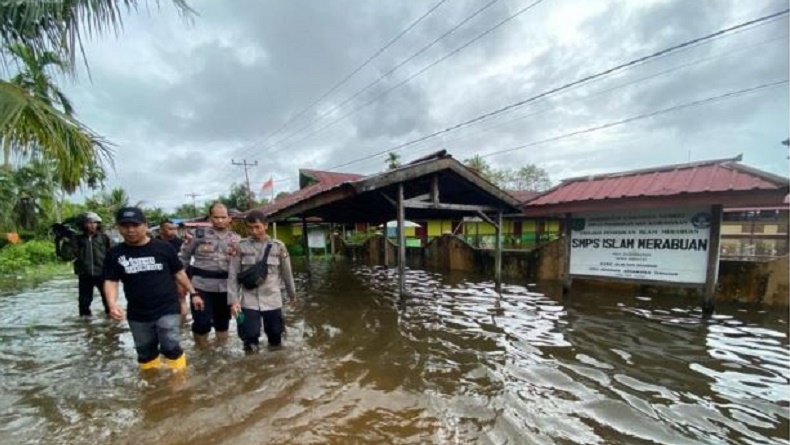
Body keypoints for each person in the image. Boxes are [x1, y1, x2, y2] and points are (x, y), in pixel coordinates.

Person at [103, 207, 199, 371]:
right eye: (125, 226)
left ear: (145, 226)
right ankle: (151, 386)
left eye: (135, 225)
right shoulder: (115, 253)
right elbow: (111, 280)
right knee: (145, 352)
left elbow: (179, 273)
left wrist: (193, 293)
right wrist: (112, 304)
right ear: (119, 228)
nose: (131, 230)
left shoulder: (163, 248)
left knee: (171, 346)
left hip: (167, 307)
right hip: (137, 312)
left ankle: (179, 386)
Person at [228, 210, 296, 352]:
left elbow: (287, 274)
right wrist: (233, 301)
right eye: (250, 227)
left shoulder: (278, 246)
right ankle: (252, 368)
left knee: (276, 338)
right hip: (249, 300)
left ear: (265, 226)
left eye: (257, 227)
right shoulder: (241, 246)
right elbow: (233, 275)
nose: (254, 231)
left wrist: (292, 296)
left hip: (272, 299)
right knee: (250, 340)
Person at [179, 203, 241, 347]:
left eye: (223, 217)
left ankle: (221, 350)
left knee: (223, 322)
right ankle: (202, 351)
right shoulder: (197, 235)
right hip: (201, 286)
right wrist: (182, 284)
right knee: (201, 323)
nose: (220, 220)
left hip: (225, 288)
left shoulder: (236, 239)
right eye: (216, 217)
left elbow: (240, 265)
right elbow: (183, 259)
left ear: (229, 218)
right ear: (210, 218)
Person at [72, 212, 111, 316]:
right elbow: (69, 255)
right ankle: (86, 326)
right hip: (85, 274)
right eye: (89, 223)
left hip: (102, 274)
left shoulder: (103, 237)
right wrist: (64, 240)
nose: (92, 225)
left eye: (95, 223)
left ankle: (112, 325)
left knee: (108, 301)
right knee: (84, 303)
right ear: (83, 225)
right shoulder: (77, 238)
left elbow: (110, 253)